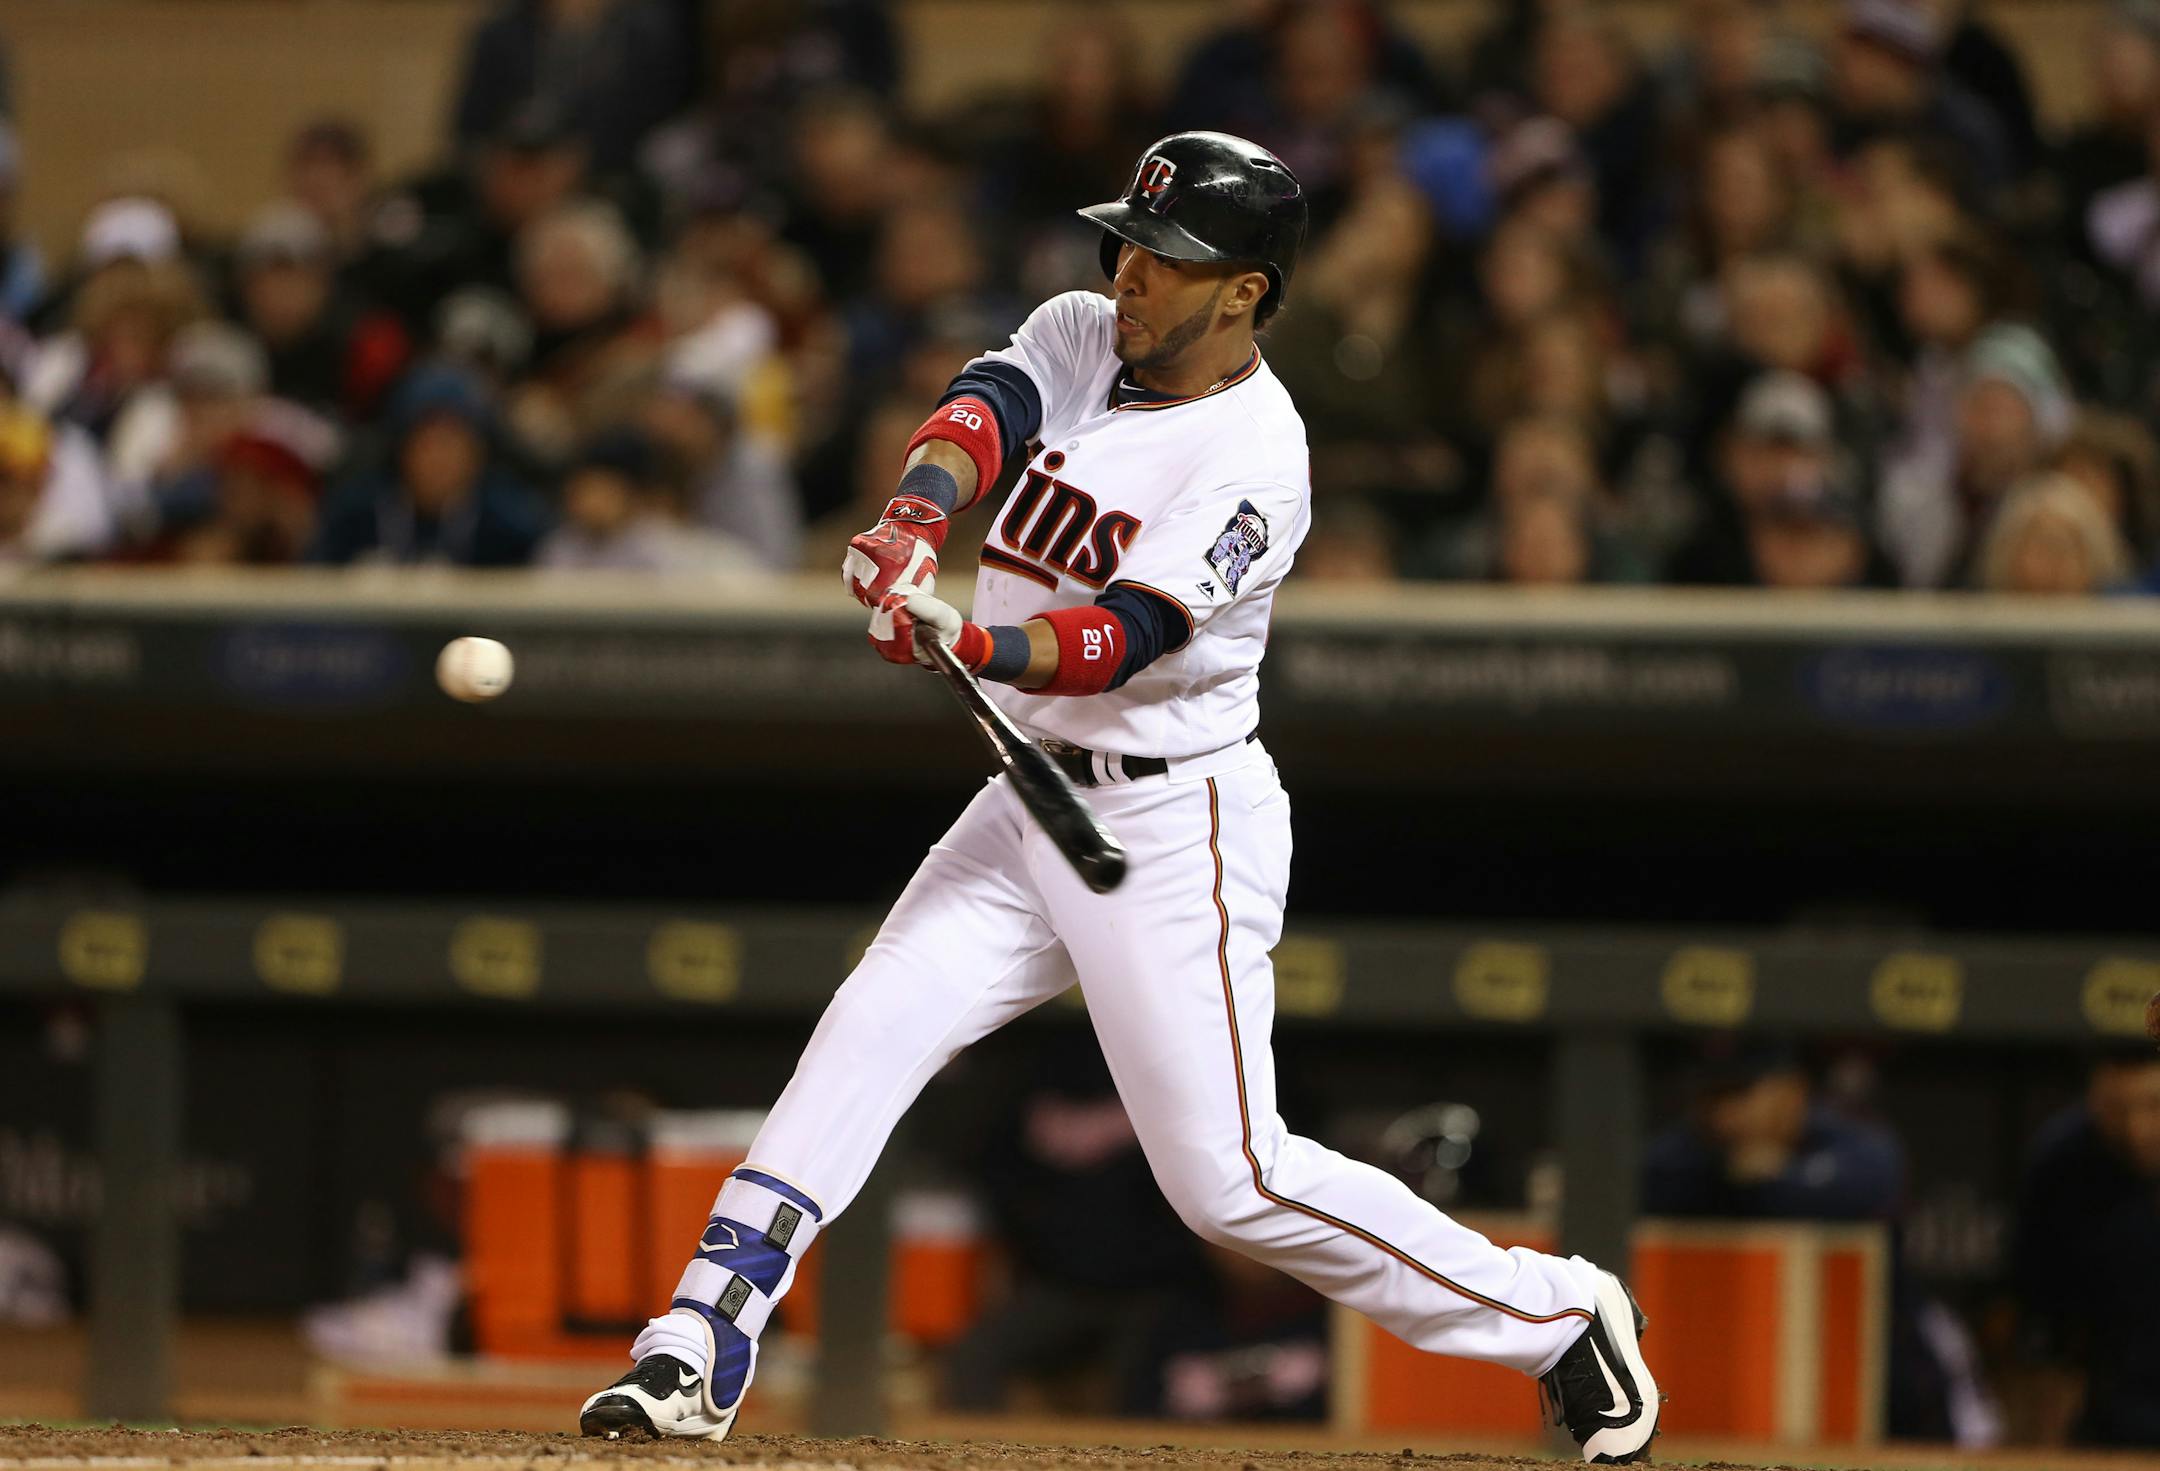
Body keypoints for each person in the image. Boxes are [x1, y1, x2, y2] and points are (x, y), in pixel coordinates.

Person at [576, 132, 1661, 1466]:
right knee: (868, 1027)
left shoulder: (1262, 454)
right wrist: (917, 519)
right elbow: (981, 410)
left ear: (1250, 289)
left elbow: (1121, 636)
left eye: (1173, 261)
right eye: (1131, 246)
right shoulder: (1086, 327)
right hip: (1028, 797)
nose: (1134, 277)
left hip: (1168, 821)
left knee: (1231, 1180)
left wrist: (968, 642)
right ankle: (698, 1335)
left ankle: (1556, 1312)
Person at [2011, 1051, 2160, 1445]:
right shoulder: (2062, 1164)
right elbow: (2042, 1316)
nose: (2137, 1130)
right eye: (2116, 1110)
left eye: (2155, 1106)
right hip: (2109, 1415)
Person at [311, 364, 549, 566]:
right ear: (402, 449)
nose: (438, 459)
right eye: (426, 443)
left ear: (479, 453)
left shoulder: (513, 524)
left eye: (452, 443)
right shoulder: (355, 515)